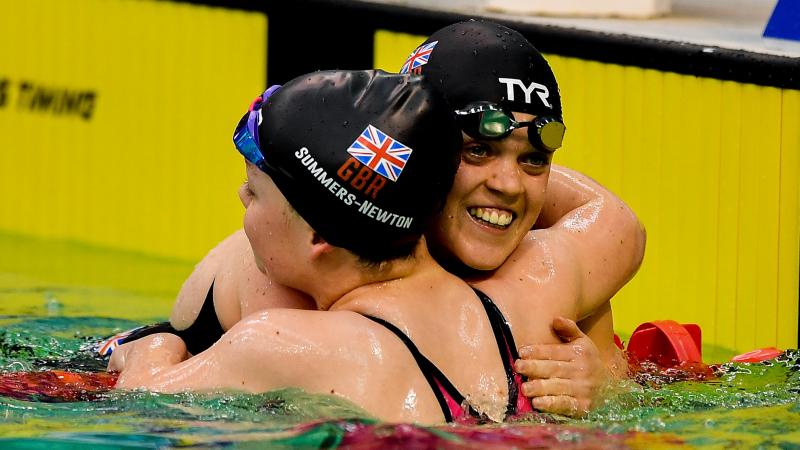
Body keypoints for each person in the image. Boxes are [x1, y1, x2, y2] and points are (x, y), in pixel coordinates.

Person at [107, 20, 645, 417]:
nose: (507, 185)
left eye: (533, 160)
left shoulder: (289, 322)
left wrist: (606, 380)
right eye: (477, 151)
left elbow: (146, 401)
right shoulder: (276, 280)